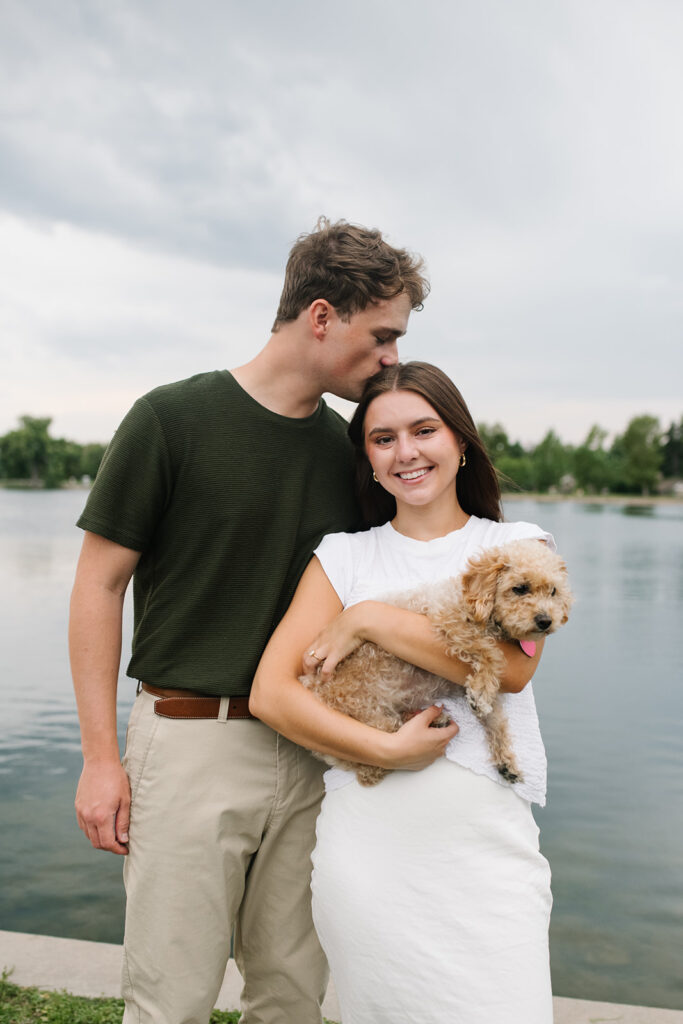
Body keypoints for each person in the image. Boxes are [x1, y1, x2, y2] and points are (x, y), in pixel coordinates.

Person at [68, 218, 442, 1024]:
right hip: (191, 742)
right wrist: (101, 758)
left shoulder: (351, 453)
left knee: (293, 994)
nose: (389, 359)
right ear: (320, 316)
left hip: (316, 753)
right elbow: (97, 588)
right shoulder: (171, 419)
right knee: (170, 998)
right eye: (381, 336)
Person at [250, 361, 556, 1024]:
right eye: (382, 438)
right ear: (365, 457)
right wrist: (382, 750)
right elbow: (271, 694)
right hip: (368, 857)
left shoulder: (514, 546)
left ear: (460, 441)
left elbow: (510, 670)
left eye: (424, 430)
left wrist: (368, 619)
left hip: (487, 857)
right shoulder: (344, 556)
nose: (406, 452)